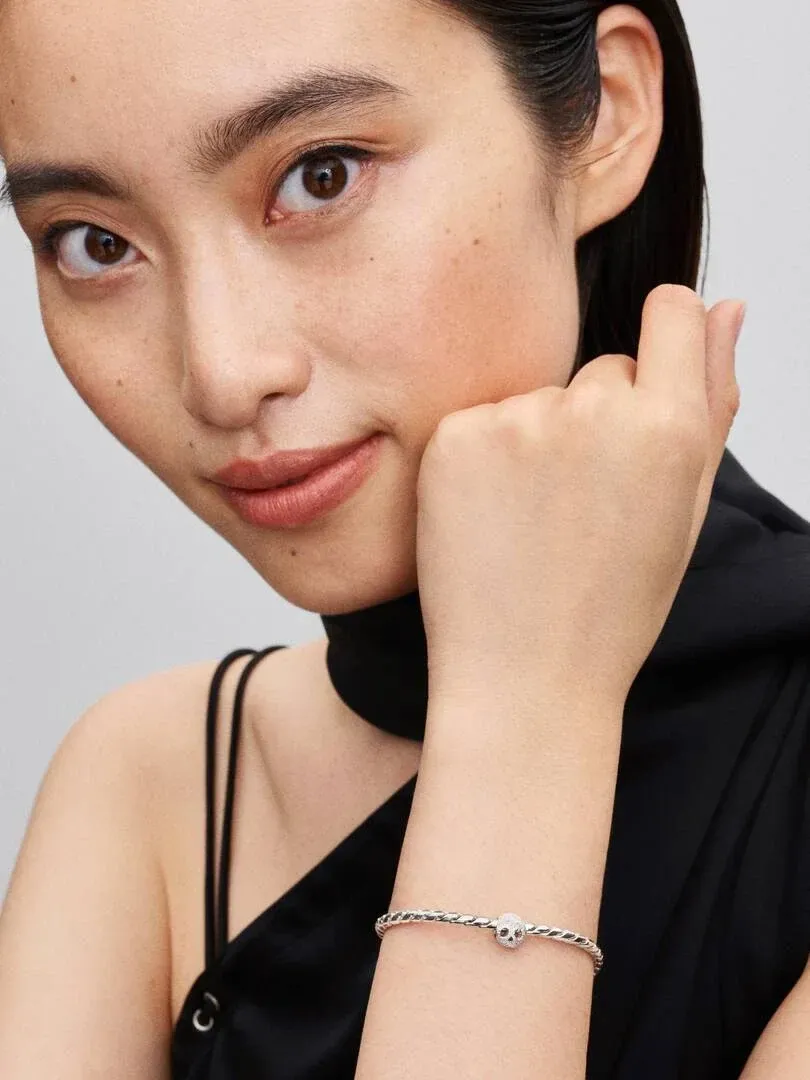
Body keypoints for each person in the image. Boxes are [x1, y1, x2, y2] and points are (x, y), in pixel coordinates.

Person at [0, 0, 808, 1076]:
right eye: (95, 245)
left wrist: (526, 707)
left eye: (321, 175)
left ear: (608, 115)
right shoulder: (153, 786)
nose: (222, 371)